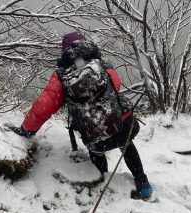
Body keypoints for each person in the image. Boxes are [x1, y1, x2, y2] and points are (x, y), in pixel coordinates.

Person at [9, 32, 152, 199]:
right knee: (127, 144)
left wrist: (26, 130)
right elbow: (116, 84)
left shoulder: (61, 75)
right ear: (85, 44)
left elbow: (44, 106)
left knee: (97, 149)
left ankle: (103, 180)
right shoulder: (102, 63)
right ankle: (143, 184)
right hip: (121, 126)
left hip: (95, 137)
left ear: (64, 50)